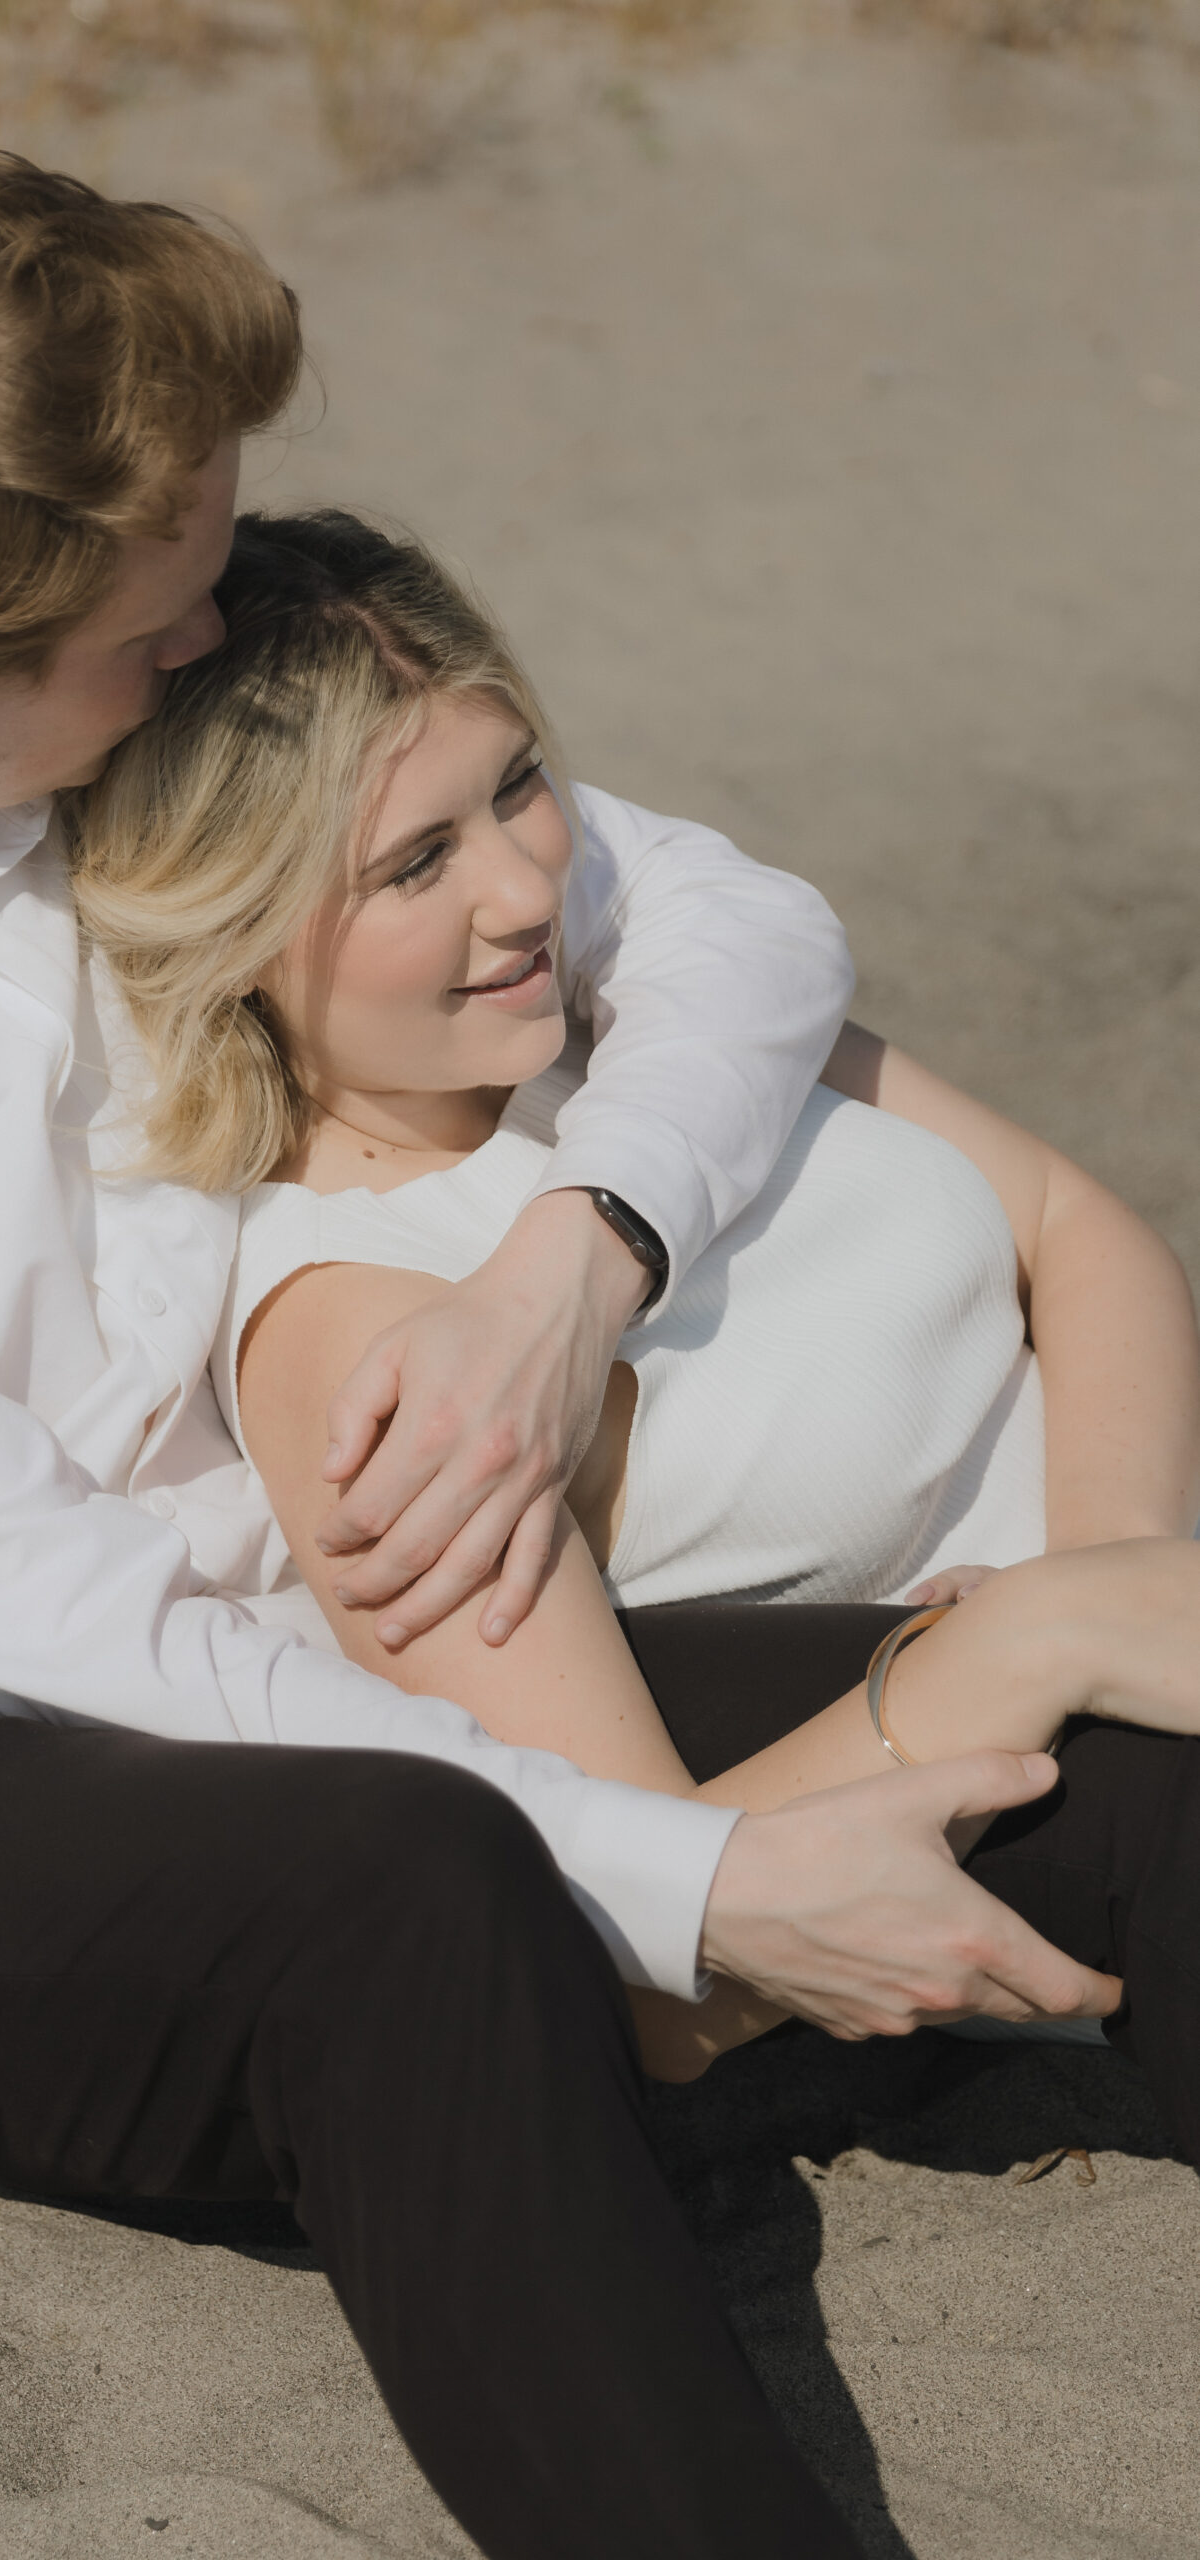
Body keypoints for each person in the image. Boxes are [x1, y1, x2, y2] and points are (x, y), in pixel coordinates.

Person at [0, 148, 1135, 2560]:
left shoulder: (92, 674)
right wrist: (690, 1873)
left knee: (1095, 1776)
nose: (207, 636)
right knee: (413, 1891)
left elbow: (725, 920)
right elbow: (59, 1615)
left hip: (375, 1654)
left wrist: (578, 1250)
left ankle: (664, 2043)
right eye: (155, 625)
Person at [67, 506, 1200, 2080]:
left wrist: (1128, 1564)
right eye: (414, 863)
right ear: (231, 925)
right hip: (1088, 1803)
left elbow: (1077, 1228)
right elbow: (652, 1951)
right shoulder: (364, 1338)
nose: (526, 889)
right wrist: (1045, 1643)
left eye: (518, 786)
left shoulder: (635, 1033)